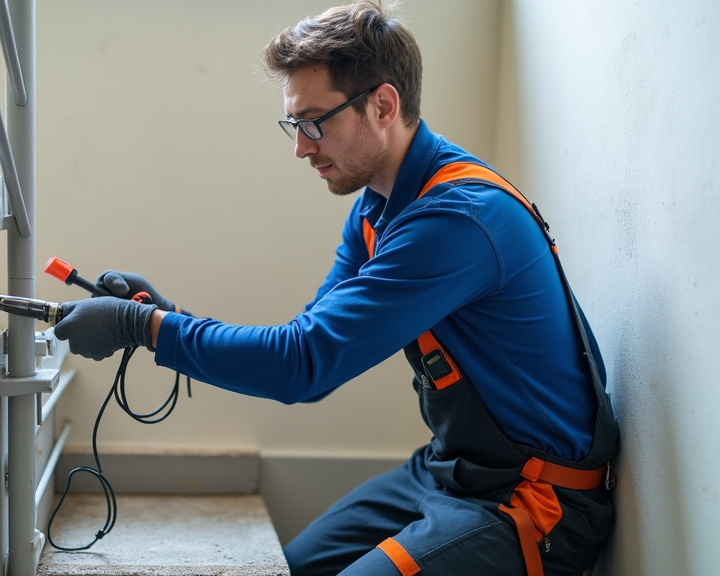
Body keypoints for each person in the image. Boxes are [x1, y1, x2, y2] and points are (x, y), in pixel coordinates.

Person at [52, 2, 619, 575]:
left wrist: (141, 329)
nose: (302, 146)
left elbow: (304, 365)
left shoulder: (457, 220)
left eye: (315, 121)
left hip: (534, 502)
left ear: (383, 105)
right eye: (294, 123)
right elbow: (310, 342)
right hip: (451, 470)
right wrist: (163, 315)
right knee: (292, 566)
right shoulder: (377, 209)